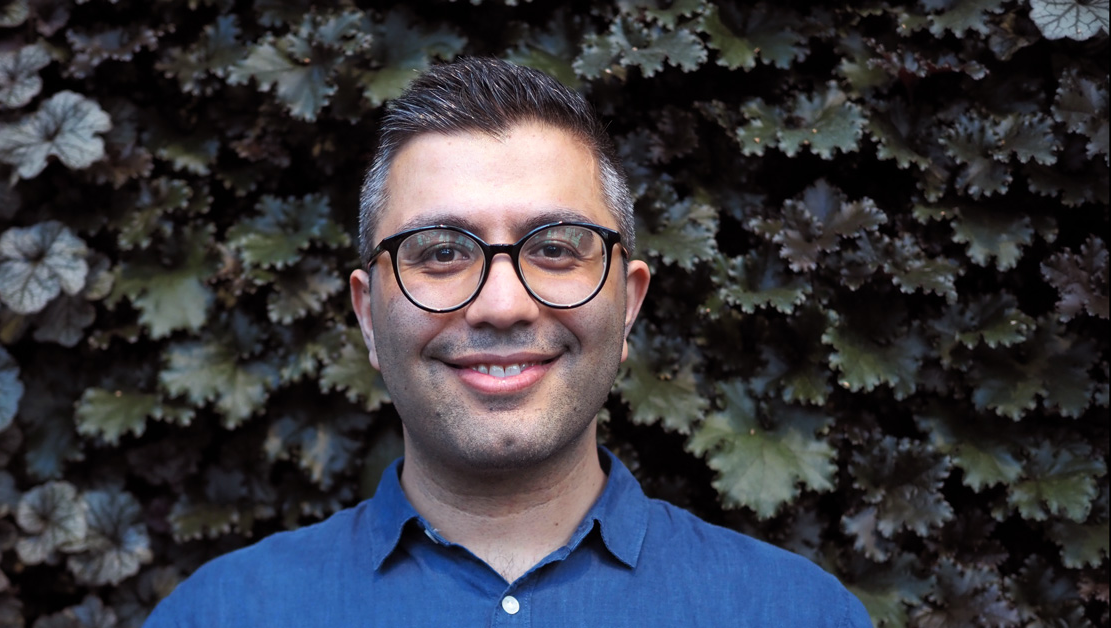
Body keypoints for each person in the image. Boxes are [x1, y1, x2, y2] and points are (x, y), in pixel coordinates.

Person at [143, 57, 873, 627]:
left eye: (556, 248)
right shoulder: (219, 615)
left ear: (629, 304)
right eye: (439, 253)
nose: (501, 305)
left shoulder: (799, 614)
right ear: (367, 315)